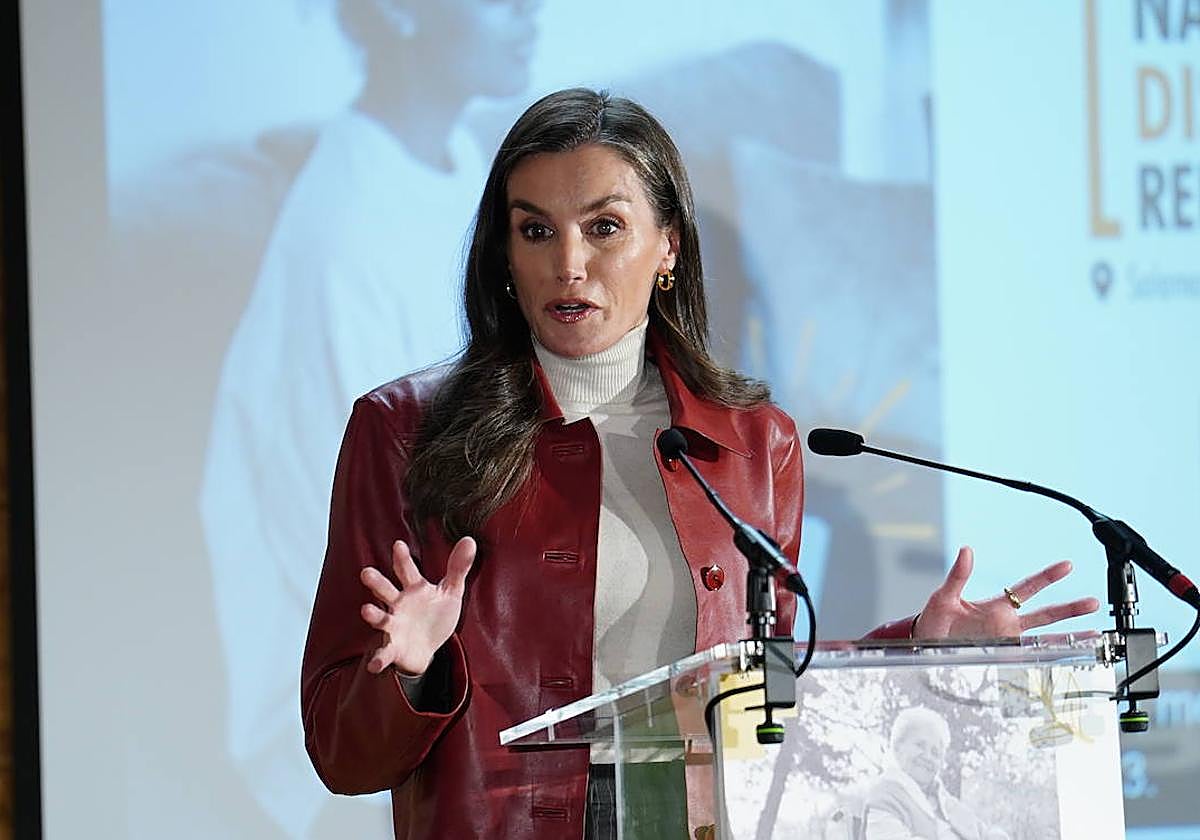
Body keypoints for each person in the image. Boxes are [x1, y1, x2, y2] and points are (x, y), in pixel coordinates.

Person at [300, 88, 1099, 839]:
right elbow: (341, 753)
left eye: (604, 227)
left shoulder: (754, 442)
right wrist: (410, 674)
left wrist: (916, 650)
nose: (568, 262)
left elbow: (767, 690)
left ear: (667, 247)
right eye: (535, 230)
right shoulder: (403, 430)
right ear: (504, 254)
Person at [201, 2, 540, 834]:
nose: (532, 14)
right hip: (365, 714)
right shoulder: (343, 238)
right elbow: (361, 540)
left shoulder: (462, 163)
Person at [863, 708, 1010, 840]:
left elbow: (983, 832)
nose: (928, 757)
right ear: (897, 747)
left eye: (935, 753)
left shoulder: (946, 802)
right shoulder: (885, 797)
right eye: (920, 745)